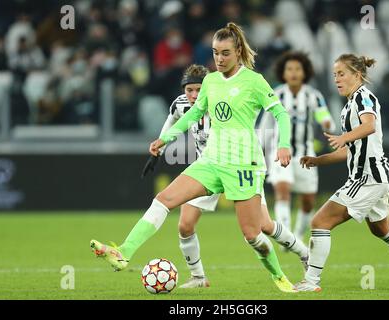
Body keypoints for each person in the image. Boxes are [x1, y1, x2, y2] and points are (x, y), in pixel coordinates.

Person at [91, 22, 301, 293]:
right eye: (215, 53)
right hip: (211, 161)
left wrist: (284, 144)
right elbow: (192, 114)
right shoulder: (211, 81)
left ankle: (279, 277)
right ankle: (124, 252)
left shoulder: (253, 81)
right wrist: (165, 138)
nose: (219, 59)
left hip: (242, 164)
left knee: (252, 234)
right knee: (163, 200)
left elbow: (281, 114)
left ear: (238, 51)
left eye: (225, 53)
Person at [143, 63, 308, 289]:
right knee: (185, 225)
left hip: (239, 167)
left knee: (264, 226)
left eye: (198, 90)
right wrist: (159, 150)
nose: (193, 95)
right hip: (208, 170)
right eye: (189, 90)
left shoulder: (222, 101)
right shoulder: (181, 105)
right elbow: (173, 120)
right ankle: (199, 277)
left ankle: (304, 254)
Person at [292, 54, 389, 292]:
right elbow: (348, 151)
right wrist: (318, 160)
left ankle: (311, 281)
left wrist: (343, 137)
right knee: (381, 228)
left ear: (357, 75)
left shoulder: (363, 98)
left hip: (367, 176)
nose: (337, 79)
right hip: (374, 176)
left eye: (342, 73)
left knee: (320, 221)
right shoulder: (349, 105)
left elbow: (369, 125)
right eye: (334, 74)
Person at [259, 51, 335, 242]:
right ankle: (286, 237)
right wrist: (258, 147)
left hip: (305, 154)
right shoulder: (276, 94)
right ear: (283, 73)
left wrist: (327, 124)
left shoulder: (313, 95)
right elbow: (265, 125)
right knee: (282, 190)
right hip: (280, 153)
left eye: (297, 69)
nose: (293, 73)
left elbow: (324, 117)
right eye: (289, 69)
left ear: (304, 72)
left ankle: (299, 235)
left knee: (308, 201)